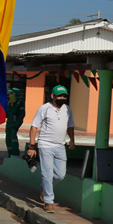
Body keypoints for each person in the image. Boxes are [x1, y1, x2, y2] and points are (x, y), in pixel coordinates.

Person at [27, 85, 75, 213]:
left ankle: (44, 187)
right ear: (53, 96)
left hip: (60, 146)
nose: (62, 98)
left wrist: (72, 139)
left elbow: (70, 126)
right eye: (59, 96)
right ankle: (49, 201)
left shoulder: (67, 109)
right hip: (45, 145)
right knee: (47, 174)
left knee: (60, 175)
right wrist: (32, 146)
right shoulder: (44, 108)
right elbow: (34, 127)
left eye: (64, 96)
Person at [5, 88, 25, 156]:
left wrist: (18, 124)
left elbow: (22, 115)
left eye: (12, 94)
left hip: (15, 124)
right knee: (8, 139)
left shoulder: (20, 102)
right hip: (8, 124)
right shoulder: (9, 103)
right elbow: (7, 114)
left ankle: (15, 153)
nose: (10, 95)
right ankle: (10, 154)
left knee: (13, 137)